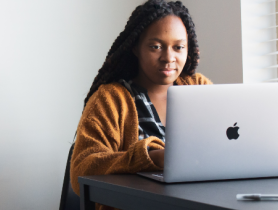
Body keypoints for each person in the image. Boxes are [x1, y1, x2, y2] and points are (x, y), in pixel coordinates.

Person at [70, 0, 212, 209]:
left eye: (178, 47)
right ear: (136, 47)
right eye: (156, 46)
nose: (168, 57)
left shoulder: (199, 87)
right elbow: (81, 170)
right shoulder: (111, 99)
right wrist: (151, 158)